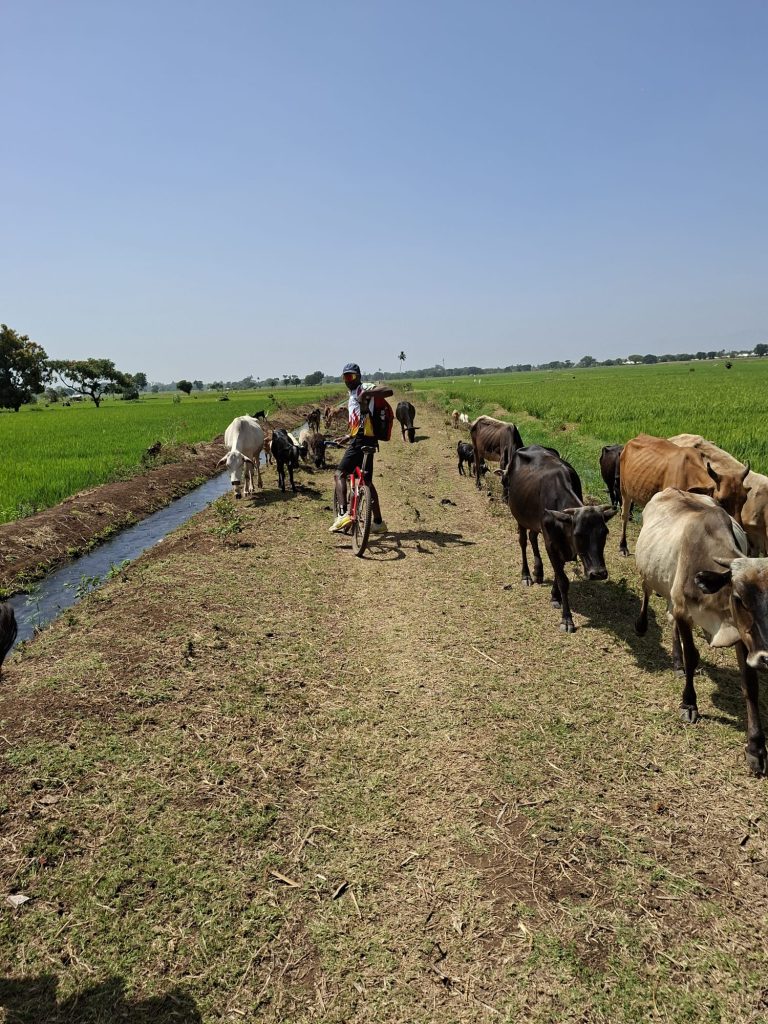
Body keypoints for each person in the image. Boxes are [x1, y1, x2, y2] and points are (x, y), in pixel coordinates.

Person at [329, 362, 391, 533]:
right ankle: (378, 523)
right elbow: (359, 420)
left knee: (339, 474)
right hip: (367, 438)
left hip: (362, 439)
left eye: (351, 376)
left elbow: (388, 390)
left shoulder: (363, 388)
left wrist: (367, 393)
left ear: (358, 377)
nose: (348, 380)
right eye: (345, 377)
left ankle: (342, 515)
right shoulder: (351, 395)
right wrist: (348, 435)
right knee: (368, 482)